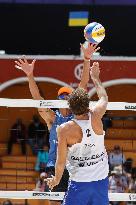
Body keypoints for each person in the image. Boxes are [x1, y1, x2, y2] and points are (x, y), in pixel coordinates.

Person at [15, 43, 100, 205]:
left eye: (68, 97)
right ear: (58, 100)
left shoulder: (77, 117)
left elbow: (82, 85)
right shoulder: (52, 118)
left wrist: (86, 59)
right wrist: (30, 75)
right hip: (54, 167)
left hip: (75, 167)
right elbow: (38, 100)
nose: (65, 99)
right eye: (62, 97)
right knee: (54, 203)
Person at [47, 62, 109, 205]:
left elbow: (61, 161)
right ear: (87, 104)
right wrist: (96, 77)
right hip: (101, 180)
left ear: (70, 108)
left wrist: (56, 179)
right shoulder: (96, 115)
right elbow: (104, 98)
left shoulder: (64, 129)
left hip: (79, 182)